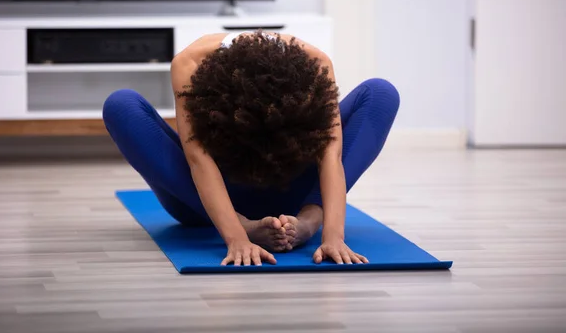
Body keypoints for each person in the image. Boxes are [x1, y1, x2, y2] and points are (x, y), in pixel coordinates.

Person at [103, 31, 400, 267]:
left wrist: (332, 235)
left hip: (293, 189)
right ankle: (244, 222)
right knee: (121, 105)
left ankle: (309, 219)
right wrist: (237, 236)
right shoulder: (190, 64)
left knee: (381, 93)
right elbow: (198, 160)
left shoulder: (315, 65)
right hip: (201, 199)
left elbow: (330, 156)